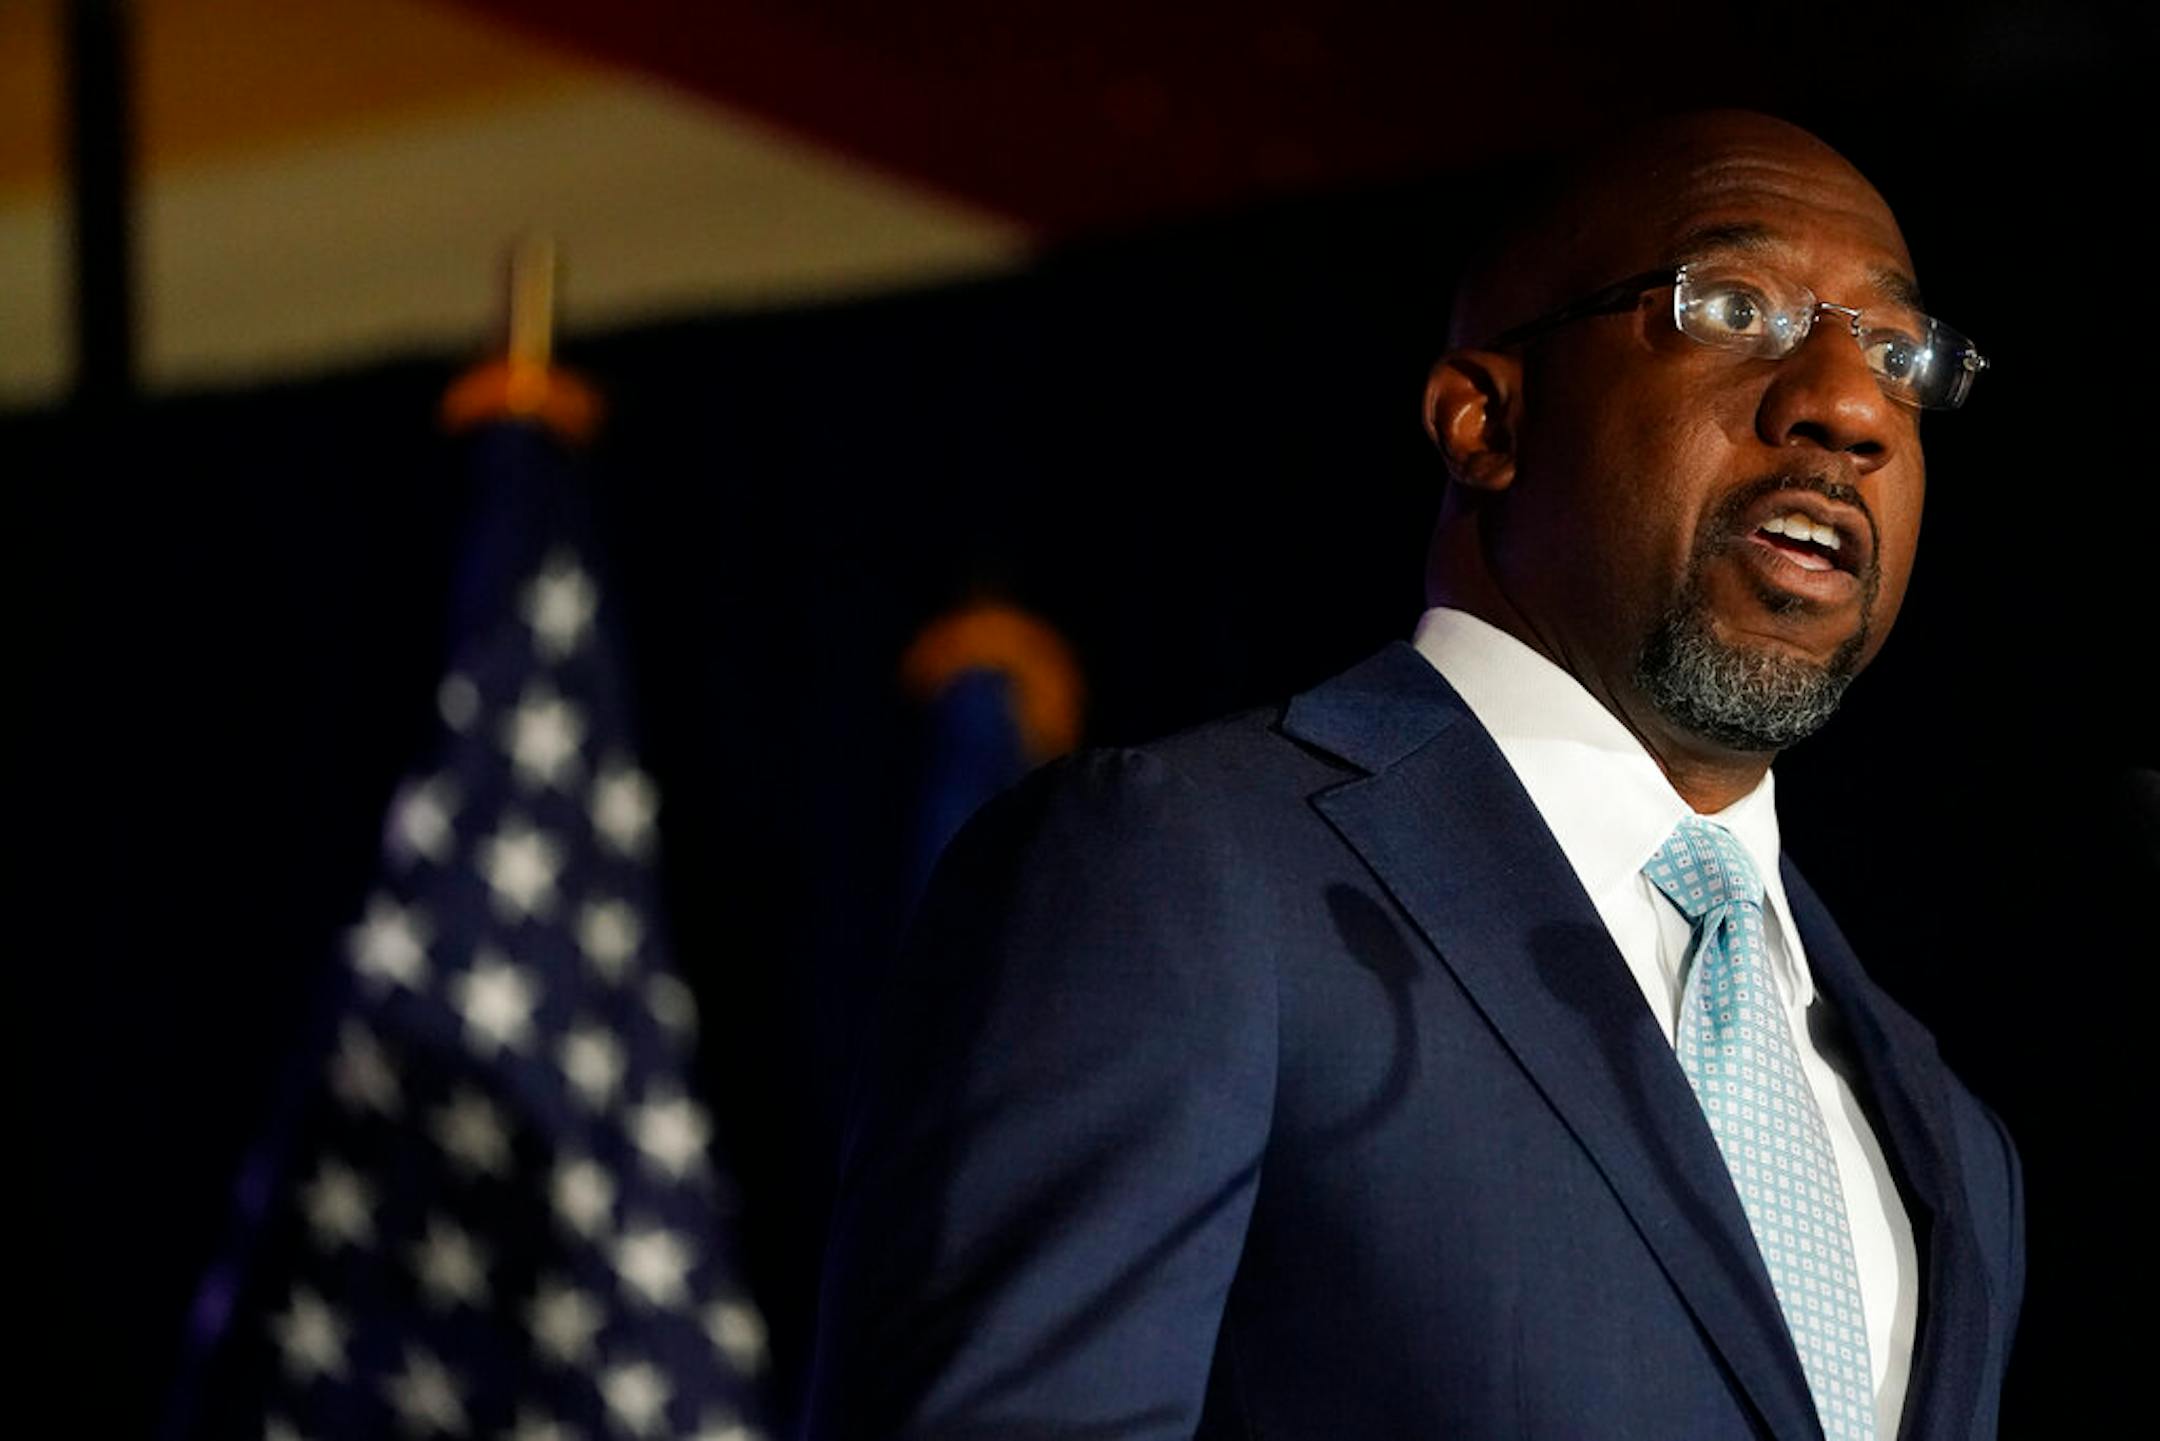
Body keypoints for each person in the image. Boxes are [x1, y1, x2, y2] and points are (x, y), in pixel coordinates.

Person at [805, 110, 2022, 1439]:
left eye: (1899, 352)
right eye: (1733, 304)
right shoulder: (1184, 875)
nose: (1851, 404)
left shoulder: (1946, 1130)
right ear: (1484, 422)